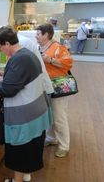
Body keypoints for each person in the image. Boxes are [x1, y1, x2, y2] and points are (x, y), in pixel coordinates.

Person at [0, 26, 52, 182]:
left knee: (22, 153)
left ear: (7, 44)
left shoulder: (19, 58)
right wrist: (7, 74)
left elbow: (8, 90)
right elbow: (22, 77)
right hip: (35, 113)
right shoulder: (26, 54)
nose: (0, 50)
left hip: (26, 118)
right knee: (25, 153)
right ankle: (20, 178)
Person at [36, 24, 73, 158]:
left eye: (39, 34)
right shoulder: (39, 47)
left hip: (58, 86)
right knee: (50, 114)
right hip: (46, 86)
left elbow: (68, 63)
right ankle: (51, 139)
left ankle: (64, 146)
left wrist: (50, 60)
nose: (36, 36)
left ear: (46, 35)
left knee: (59, 117)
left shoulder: (58, 47)